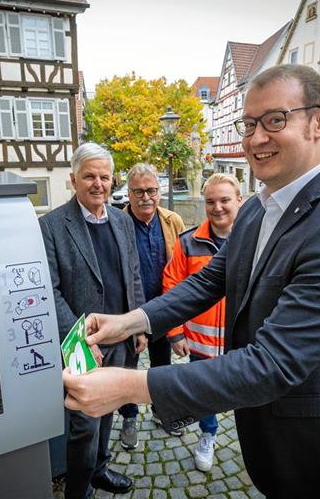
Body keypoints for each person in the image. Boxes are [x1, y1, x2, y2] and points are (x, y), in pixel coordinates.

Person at [62, 64, 320, 498]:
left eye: (275, 120)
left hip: (312, 433)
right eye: (249, 124)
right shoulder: (256, 208)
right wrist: (131, 322)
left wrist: (128, 387)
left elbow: (272, 363)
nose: (256, 138)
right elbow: (209, 281)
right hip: (262, 417)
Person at [39, 142, 144, 498]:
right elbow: (49, 291)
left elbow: (133, 273)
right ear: (73, 179)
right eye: (89, 177)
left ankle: (100, 469)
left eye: (104, 177)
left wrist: (139, 323)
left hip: (122, 336)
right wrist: (80, 341)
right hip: (82, 344)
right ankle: (78, 491)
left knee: (111, 406)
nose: (98, 184)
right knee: (84, 424)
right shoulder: (52, 226)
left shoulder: (121, 219)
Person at [163, 173, 243, 471]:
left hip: (243, 343)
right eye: (211, 201)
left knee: (251, 395)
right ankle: (208, 435)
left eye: (224, 200)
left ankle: (259, 442)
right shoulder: (189, 242)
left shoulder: (257, 242)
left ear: (239, 201)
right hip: (199, 344)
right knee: (204, 395)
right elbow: (172, 287)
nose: (218, 207)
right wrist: (174, 333)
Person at [118, 163, 185, 449]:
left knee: (161, 366)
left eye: (151, 190)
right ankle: (129, 417)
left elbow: (182, 268)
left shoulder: (173, 221)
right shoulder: (116, 224)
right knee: (129, 368)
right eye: (138, 191)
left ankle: (160, 411)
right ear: (128, 193)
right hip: (129, 312)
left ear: (159, 190)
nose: (146, 197)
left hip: (163, 310)